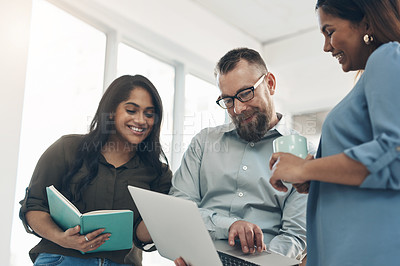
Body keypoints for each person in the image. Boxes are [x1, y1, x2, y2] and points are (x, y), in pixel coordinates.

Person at [269, 0, 400, 265]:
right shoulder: (369, 77)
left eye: (330, 31)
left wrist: (305, 170)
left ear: (366, 22)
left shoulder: (386, 57)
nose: (327, 46)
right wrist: (315, 178)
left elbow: (394, 156)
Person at [170, 48, 313, 265]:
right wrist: (228, 225)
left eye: (245, 94)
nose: (237, 108)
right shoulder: (204, 143)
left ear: (270, 84)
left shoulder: (304, 154)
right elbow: (179, 209)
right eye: (228, 100)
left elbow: (295, 236)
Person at [19, 75, 172, 265]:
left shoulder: (159, 173)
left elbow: (142, 238)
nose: (141, 120)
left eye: (149, 114)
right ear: (110, 112)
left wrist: (166, 215)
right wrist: (62, 238)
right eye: (131, 110)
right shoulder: (67, 148)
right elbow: (34, 206)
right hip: (63, 258)